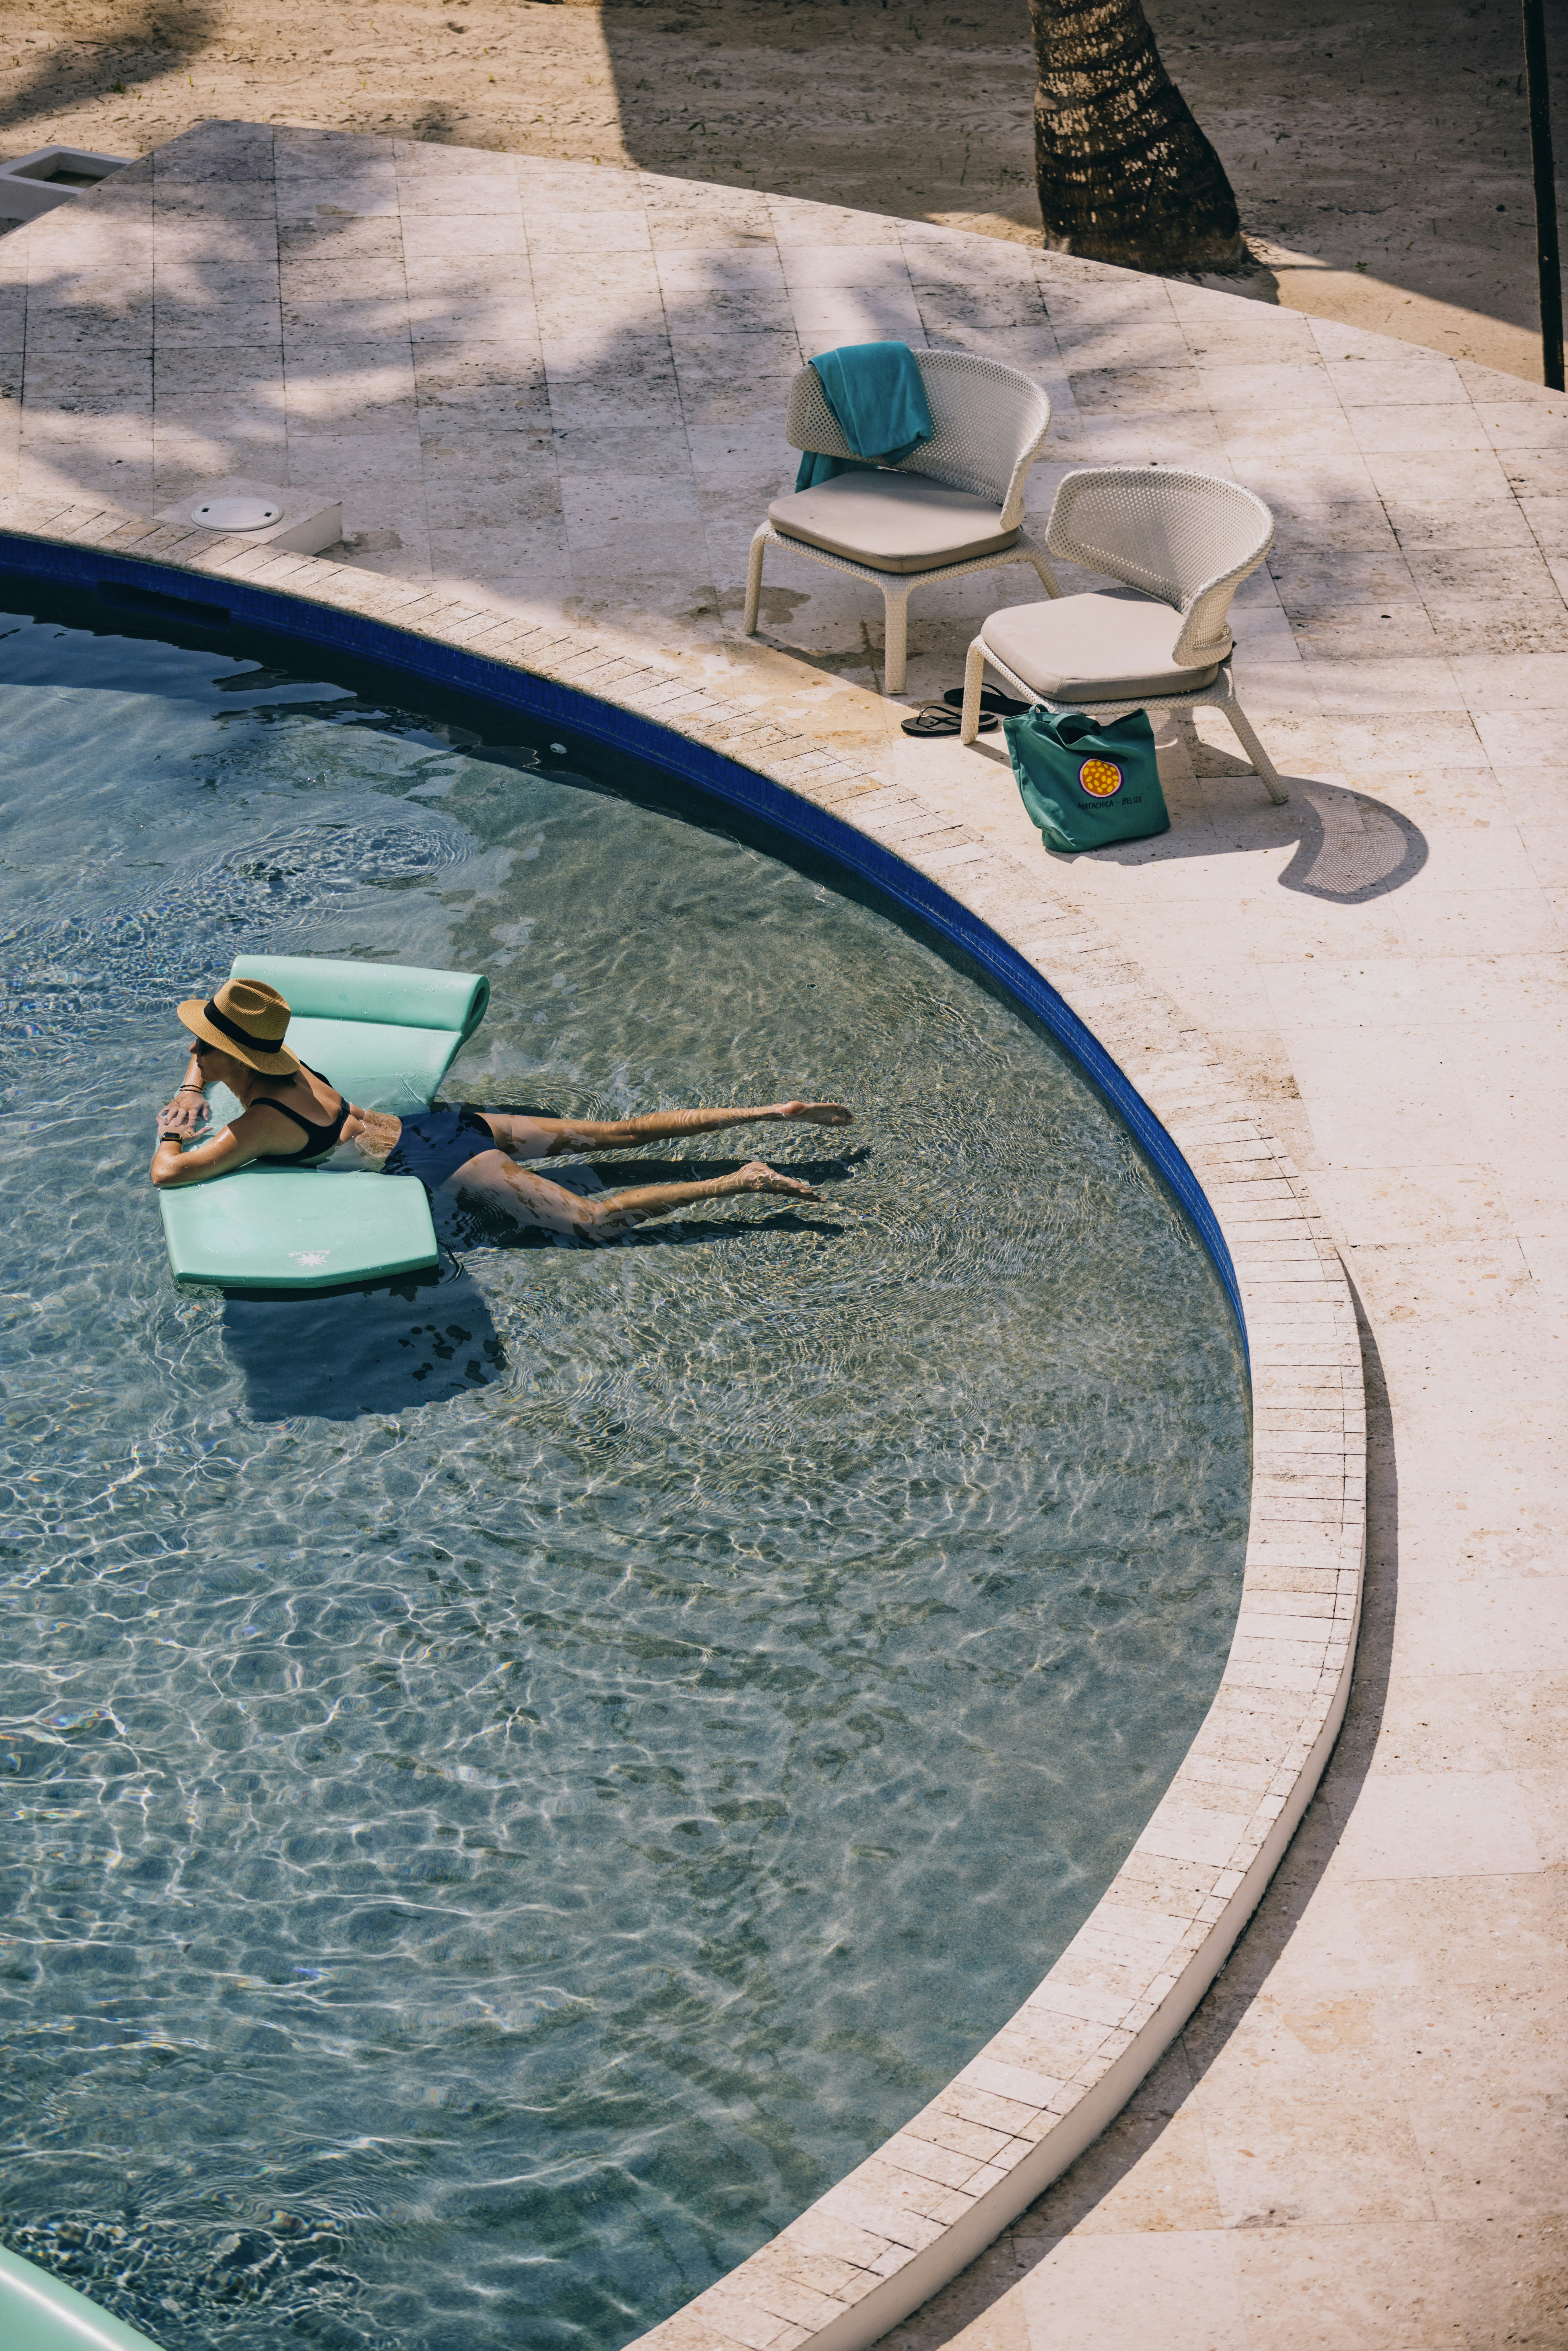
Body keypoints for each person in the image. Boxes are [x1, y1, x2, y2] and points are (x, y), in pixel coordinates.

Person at [152, 977, 851, 1239]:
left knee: (592, 1222)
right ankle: (768, 1111)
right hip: (446, 1123)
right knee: (617, 1134)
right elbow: (222, 1057)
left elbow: (170, 1176)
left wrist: (169, 1135)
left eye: (202, 1048)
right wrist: (192, 1085)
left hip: (437, 1156)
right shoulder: (290, 1063)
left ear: (233, 1061)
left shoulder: (261, 1124)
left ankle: (741, 1179)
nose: (194, 1051)